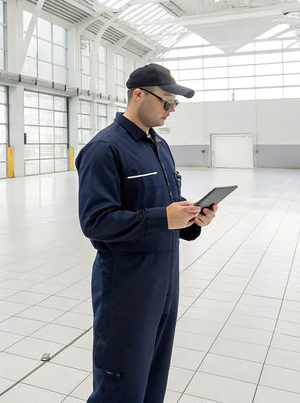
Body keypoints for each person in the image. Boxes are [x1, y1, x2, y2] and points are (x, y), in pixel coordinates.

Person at [75, 63, 217, 402]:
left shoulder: (159, 146)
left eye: (175, 105)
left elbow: (165, 204)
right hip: (126, 286)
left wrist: (192, 218)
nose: (170, 110)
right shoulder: (104, 149)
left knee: (153, 377)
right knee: (121, 384)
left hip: (164, 282)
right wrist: (161, 218)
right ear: (138, 95)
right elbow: (95, 221)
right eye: (166, 101)